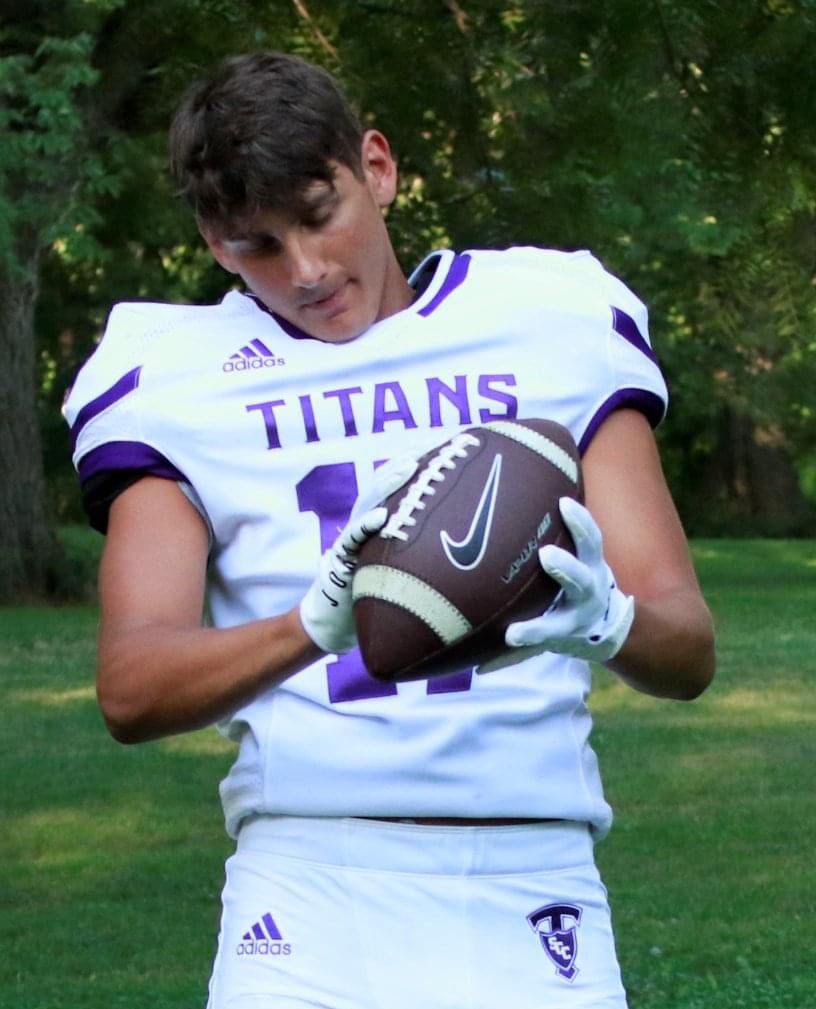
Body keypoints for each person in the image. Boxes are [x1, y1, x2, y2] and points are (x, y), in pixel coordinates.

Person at [63, 51, 715, 1009]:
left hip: (530, 875)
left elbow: (688, 648)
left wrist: (607, 620)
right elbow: (129, 687)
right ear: (211, 237)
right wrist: (312, 626)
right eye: (257, 245)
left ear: (376, 167)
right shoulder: (175, 375)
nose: (307, 270)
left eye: (319, 215)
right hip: (305, 884)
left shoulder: (548, 319)